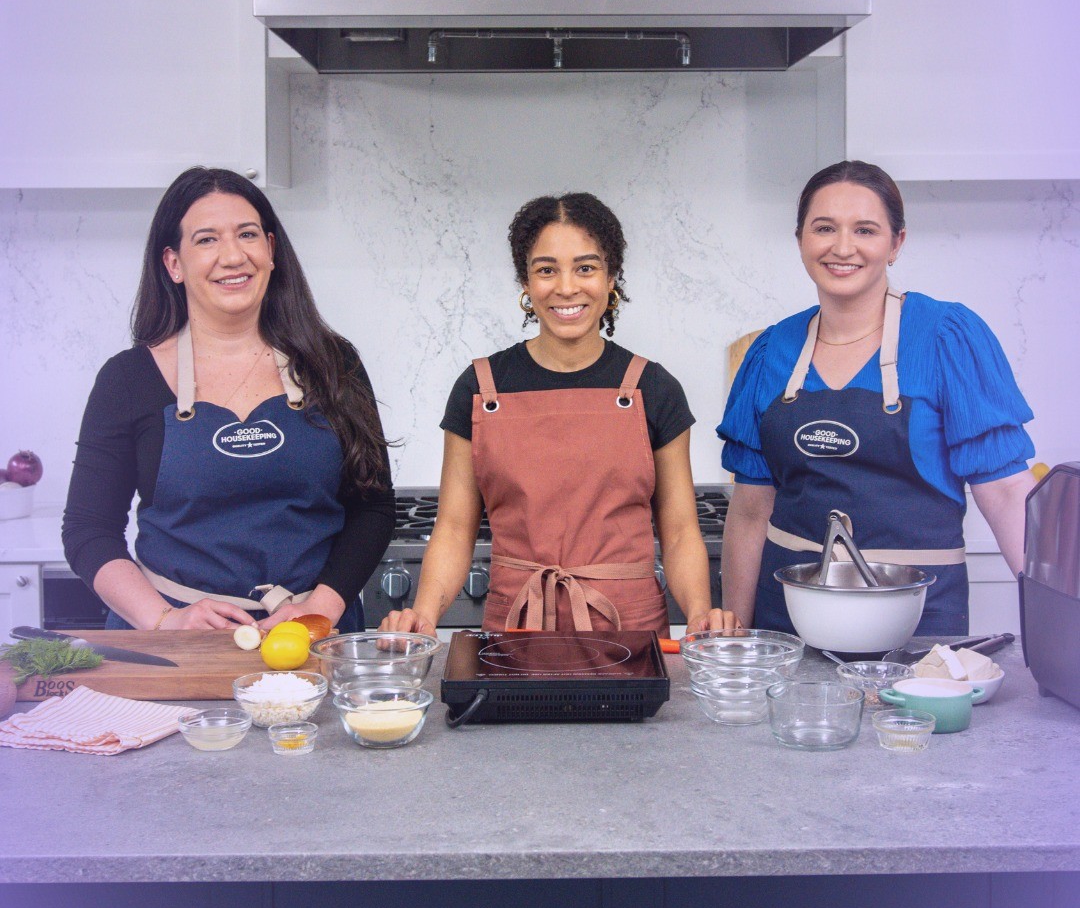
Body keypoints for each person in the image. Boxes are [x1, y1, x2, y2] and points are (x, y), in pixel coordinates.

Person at [383, 192, 740, 639]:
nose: (567, 287)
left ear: (612, 279)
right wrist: (424, 613)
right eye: (546, 269)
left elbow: (682, 529)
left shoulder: (654, 388)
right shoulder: (479, 388)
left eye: (586, 268)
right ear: (526, 283)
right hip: (516, 629)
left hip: (631, 632)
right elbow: (454, 527)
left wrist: (701, 611)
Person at [63, 167, 394, 631]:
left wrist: (324, 605)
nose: (233, 255)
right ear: (173, 264)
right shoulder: (127, 380)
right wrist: (163, 621)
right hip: (174, 642)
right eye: (206, 240)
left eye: (247, 234)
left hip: (315, 635)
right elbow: (88, 531)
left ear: (271, 251)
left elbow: (373, 508)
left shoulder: (333, 364)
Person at [718, 160, 1035, 635]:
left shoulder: (946, 339)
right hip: (787, 625)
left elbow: (1009, 494)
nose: (842, 247)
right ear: (801, 238)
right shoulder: (769, 354)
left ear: (896, 243)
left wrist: (1066, 618)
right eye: (824, 228)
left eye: (865, 230)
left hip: (918, 629)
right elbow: (749, 512)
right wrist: (737, 639)